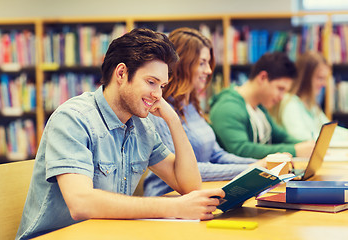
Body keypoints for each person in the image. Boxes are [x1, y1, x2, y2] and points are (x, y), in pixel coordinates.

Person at [16, 28, 225, 240]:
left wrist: (173, 120)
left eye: (162, 86)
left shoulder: (143, 126)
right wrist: (173, 207)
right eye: (151, 82)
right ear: (122, 73)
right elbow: (81, 203)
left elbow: (189, 186)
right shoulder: (73, 118)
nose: (158, 95)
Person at [143, 28, 266, 197]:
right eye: (202, 63)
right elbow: (184, 170)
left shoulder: (193, 106)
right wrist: (251, 169)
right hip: (168, 197)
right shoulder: (158, 110)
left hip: (199, 192)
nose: (208, 71)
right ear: (182, 63)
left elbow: (217, 155)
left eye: (208, 63)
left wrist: (260, 164)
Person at [209, 52, 315, 159]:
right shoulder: (228, 107)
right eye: (280, 89)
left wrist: (308, 146)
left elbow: (279, 136)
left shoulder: (258, 106)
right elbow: (241, 150)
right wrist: (295, 150)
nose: (281, 97)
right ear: (263, 78)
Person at [270, 51, 348, 143]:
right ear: (305, 78)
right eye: (320, 78)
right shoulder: (290, 103)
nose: (324, 84)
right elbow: (301, 138)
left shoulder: (311, 105)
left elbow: (331, 130)